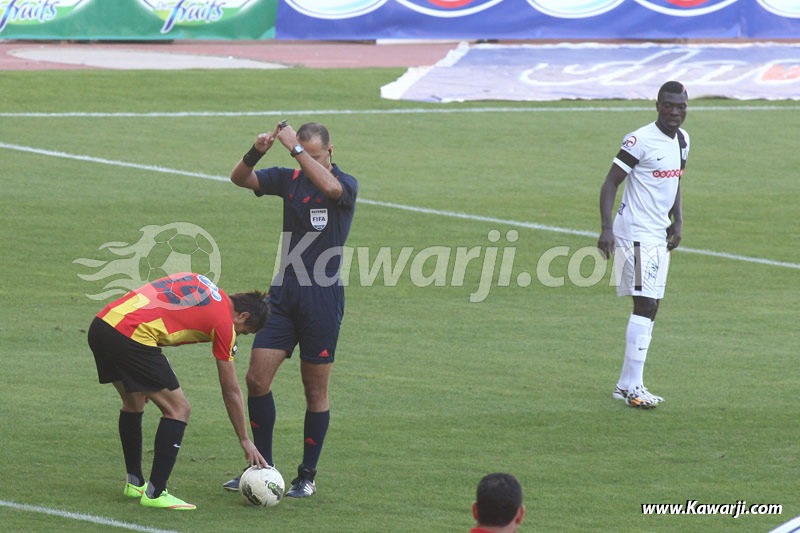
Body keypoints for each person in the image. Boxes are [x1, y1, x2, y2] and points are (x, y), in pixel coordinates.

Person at [225, 120, 358, 498]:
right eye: (302, 154)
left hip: (322, 300)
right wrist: (257, 152)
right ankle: (261, 468)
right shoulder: (289, 178)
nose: (305, 163)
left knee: (314, 389)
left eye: (313, 156)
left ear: (329, 151)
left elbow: (330, 187)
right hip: (282, 298)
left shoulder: (345, 184)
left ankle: (307, 476)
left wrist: (296, 152)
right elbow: (240, 178)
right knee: (255, 379)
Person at [88, 272, 270, 510]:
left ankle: (135, 483)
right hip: (132, 336)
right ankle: (155, 493)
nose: (239, 335)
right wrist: (245, 440)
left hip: (103, 325)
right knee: (178, 409)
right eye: (244, 331)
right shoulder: (225, 324)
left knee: (134, 403)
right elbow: (231, 391)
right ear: (243, 315)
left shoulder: (201, 280)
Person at [597, 80, 690, 409]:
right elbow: (610, 182)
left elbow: (676, 181)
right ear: (657, 105)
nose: (675, 112)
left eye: (681, 106)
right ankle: (633, 388)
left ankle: (626, 384)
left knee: (651, 305)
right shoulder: (639, 140)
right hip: (633, 232)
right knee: (646, 304)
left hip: (656, 233)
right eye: (669, 105)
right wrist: (606, 229)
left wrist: (677, 220)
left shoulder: (682, 140)